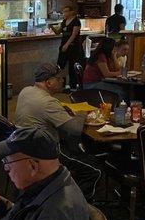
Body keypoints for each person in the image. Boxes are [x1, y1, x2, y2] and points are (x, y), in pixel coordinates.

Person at [14, 63, 102, 199]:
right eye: (59, 78)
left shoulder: (26, 91)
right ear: (49, 82)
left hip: (24, 148)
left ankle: (63, 188)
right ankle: (78, 206)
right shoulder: (48, 102)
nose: (62, 81)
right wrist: (82, 113)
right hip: (46, 152)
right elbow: (74, 130)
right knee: (95, 170)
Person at [82, 37, 126, 101]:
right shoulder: (100, 56)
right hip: (91, 84)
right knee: (120, 91)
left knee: (121, 88)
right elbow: (106, 74)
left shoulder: (106, 56)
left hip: (96, 82)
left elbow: (117, 68)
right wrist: (120, 73)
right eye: (114, 47)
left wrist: (114, 56)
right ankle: (117, 108)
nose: (115, 49)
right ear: (109, 47)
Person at [57, 5, 83, 90]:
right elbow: (58, 32)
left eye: (66, 11)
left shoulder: (76, 21)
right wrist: (52, 27)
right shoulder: (64, 21)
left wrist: (66, 45)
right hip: (63, 45)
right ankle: (62, 84)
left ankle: (73, 86)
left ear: (71, 12)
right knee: (60, 65)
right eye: (63, 11)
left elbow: (74, 35)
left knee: (72, 66)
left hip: (73, 47)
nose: (64, 13)